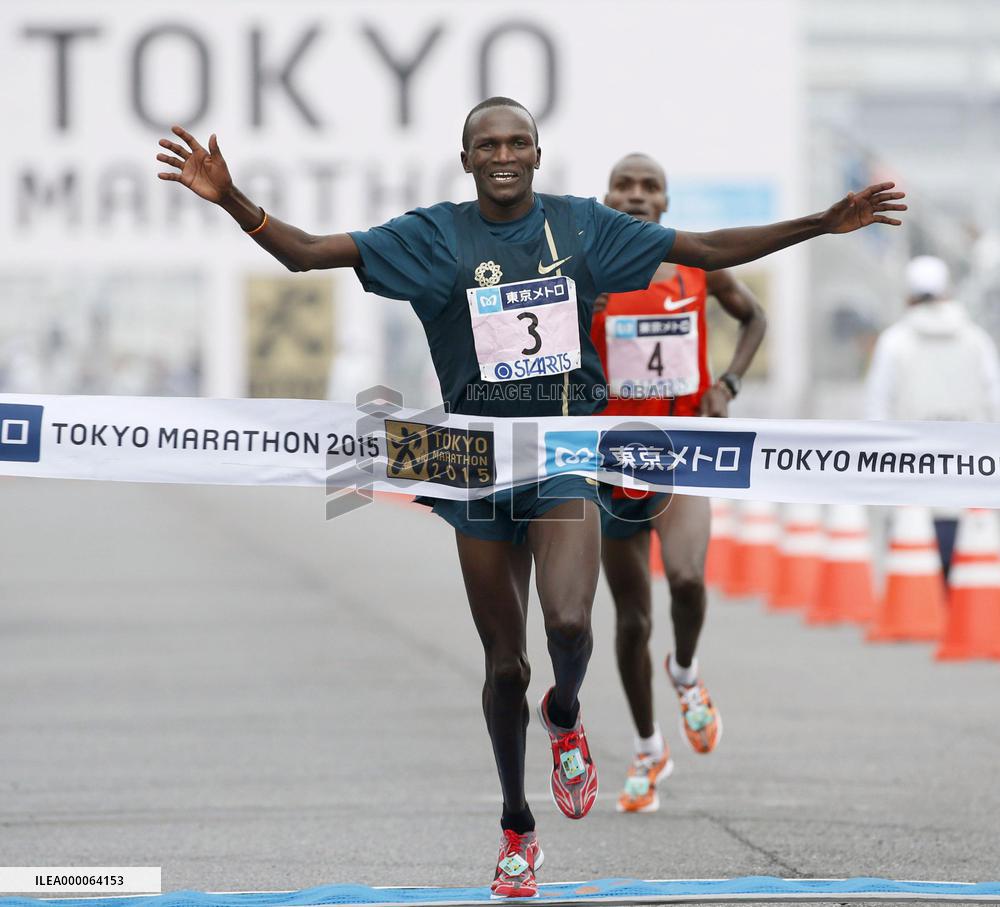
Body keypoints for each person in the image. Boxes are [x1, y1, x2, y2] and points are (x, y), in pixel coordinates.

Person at [155, 97, 905, 897]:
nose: (504, 154)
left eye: (518, 142)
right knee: (504, 665)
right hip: (475, 464)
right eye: (488, 144)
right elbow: (306, 253)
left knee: (571, 623)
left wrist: (821, 224)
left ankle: (569, 712)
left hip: (563, 454)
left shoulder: (584, 227)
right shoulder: (433, 236)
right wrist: (233, 199)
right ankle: (518, 824)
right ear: (466, 158)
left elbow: (707, 247)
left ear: (539, 155)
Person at [589, 153, 765, 813]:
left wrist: (727, 384)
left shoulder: (697, 263)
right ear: (604, 198)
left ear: (664, 202)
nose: (636, 195)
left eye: (649, 186)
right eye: (624, 185)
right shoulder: (582, 273)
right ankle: (647, 746)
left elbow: (755, 317)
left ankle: (685, 674)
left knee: (688, 581)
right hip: (609, 458)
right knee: (632, 619)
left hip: (683, 448)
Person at [866, 255, 1000, 580]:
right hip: (969, 474)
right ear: (947, 292)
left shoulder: (894, 342)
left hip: (911, 475)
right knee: (971, 573)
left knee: (915, 571)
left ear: (908, 295)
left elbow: (877, 409)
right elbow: (994, 402)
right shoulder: (976, 340)